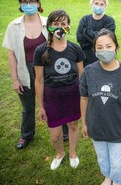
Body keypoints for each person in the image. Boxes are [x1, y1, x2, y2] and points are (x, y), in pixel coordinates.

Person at [80, 29, 121, 185]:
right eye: (99, 47)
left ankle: (117, 181)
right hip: (96, 126)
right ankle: (107, 177)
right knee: (102, 158)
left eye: (108, 46)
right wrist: (84, 123)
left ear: (116, 48)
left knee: (118, 163)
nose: (104, 50)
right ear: (94, 50)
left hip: (119, 129)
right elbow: (84, 98)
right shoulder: (88, 71)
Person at [34, 10, 84, 170]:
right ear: (49, 27)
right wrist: (41, 106)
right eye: (55, 24)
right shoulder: (40, 51)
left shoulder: (76, 49)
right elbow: (39, 80)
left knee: (73, 125)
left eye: (63, 24)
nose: (60, 28)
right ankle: (60, 152)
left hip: (72, 95)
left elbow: (81, 76)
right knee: (55, 135)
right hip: (52, 97)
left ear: (68, 26)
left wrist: (84, 99)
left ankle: (72, 152)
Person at [2, 0, 48, 149]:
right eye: (24, 1)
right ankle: (26, 135)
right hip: (25, 71)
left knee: (52, 101)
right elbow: (11, 55)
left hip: (46, 71)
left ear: (38, 3)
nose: (28, 4)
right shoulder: (13, 26)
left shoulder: (48, 23)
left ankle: (62, 130)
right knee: (28, 107)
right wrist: (15, 79)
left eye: (32, 1)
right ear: (20, 4)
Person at [76, 0, 116, 67]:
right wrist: (98, 35)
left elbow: (106, 40)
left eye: (101, 4)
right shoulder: (85, 19)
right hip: (86, 57)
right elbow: (80, 39)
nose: (98, 6)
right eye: (96, 3)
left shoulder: (109, 21)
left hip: (104, 57)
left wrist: (87, 32)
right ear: (92, 4)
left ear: (105, 5)